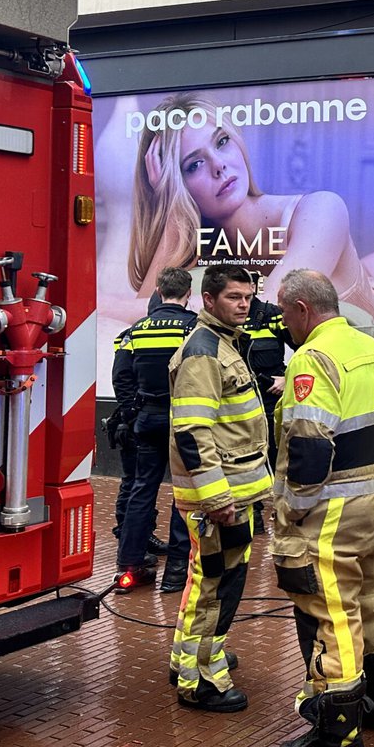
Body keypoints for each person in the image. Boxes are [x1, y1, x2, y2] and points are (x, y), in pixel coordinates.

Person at [270, 269, 374, 747]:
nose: (283, 324)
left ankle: (338, 738)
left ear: (303, 309)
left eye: (285, 313)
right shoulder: (368, 347)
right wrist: (373, 476)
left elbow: (308, 448)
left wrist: (292, 511)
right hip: (373, 501)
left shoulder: (312, 358)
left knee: (332, 612)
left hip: (329, 509)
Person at [125, 93, 374, 339]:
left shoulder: (322, 209)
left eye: (222, 142)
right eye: (194, 164)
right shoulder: (198, 246)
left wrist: (108, 306)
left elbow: (266, 311)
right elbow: (151, 322)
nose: (218, 164)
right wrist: (171, 207)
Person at [166, 265, 274, 712]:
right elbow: (192, 431)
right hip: (220, 498)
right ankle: (203, 681)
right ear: (208, 300)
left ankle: (187, 658)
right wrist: (217, 497)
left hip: (234, 493)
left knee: (213, 581)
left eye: (248, 296)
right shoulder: (204, 351)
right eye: (233, 297)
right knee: (215, 586)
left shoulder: (224, 344)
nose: (244, 304)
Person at [115, 268, 197, 592]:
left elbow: (121, 376)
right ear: (188, 293)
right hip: (183, 420)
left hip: (148, 419)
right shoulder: (193, 328)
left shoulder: (135, 331)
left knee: (141, 489)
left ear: (159, 291)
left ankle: (129, 564)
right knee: (183, 493)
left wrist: (135, 410)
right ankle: (176, 572)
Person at [108, 327, 168, 560]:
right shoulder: (131, 335)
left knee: (136, 482)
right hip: (139, 417)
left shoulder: (132, 334)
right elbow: (122, 376)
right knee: (134, 482)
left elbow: (121, 375)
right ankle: (128, 537)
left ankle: (140, 537)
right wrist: (132, 412)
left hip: (140, 417)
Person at [245, 291, 291, 535]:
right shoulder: (224, 318)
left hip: (271, 397)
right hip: (241, 400)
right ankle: (255, 514)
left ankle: (282, 510)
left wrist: (288, 376)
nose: (241, 302)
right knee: (246, 455)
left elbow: (308, 347)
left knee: (278, 456)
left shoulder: (272, 314)